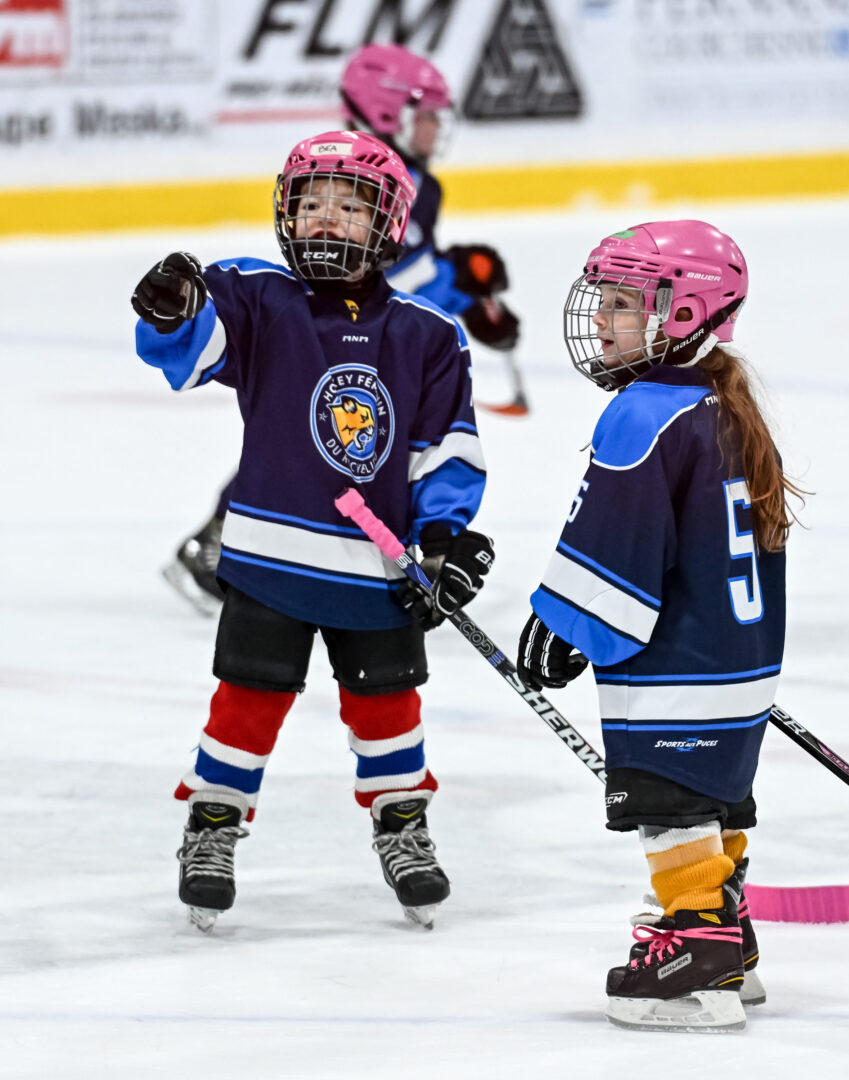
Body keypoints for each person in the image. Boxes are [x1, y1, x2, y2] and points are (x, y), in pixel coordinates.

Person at [131, 130, 494, 932]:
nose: (327, 218)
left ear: (388, 223)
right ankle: (213, 827)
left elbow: (447, 451)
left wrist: (444, 538)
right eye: (312, 202)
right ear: (286, 214)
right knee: (245, 706)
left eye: (349, 206)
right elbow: (190, 356)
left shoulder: (430, 334)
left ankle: (403, 827)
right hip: (268, 561)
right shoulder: (257, 296)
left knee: (388, 709)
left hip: (378, 570)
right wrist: (169, 315)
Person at [516, 220, 802, 1033]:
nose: (601, 320)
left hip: (677, 668)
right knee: (714, 799)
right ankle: (727, 931)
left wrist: (564, 624)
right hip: (737, 666)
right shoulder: (723, 403)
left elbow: (618, 539)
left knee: (670, 806)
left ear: (682, 313)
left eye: (621, 303)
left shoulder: (644, 413)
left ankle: (696, 950)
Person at [162, 43, 521, 616]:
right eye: (425, 115)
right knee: (303, 433)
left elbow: (405, 270)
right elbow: (397, 269)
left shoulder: (410, 179)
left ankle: (222, 539)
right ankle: (219, 539)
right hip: (321, 321)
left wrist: (465, 284)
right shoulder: (382, 177)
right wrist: (463, 285)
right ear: (388, 113)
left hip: (355, 325)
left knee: (325, 433)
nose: (434, 128)